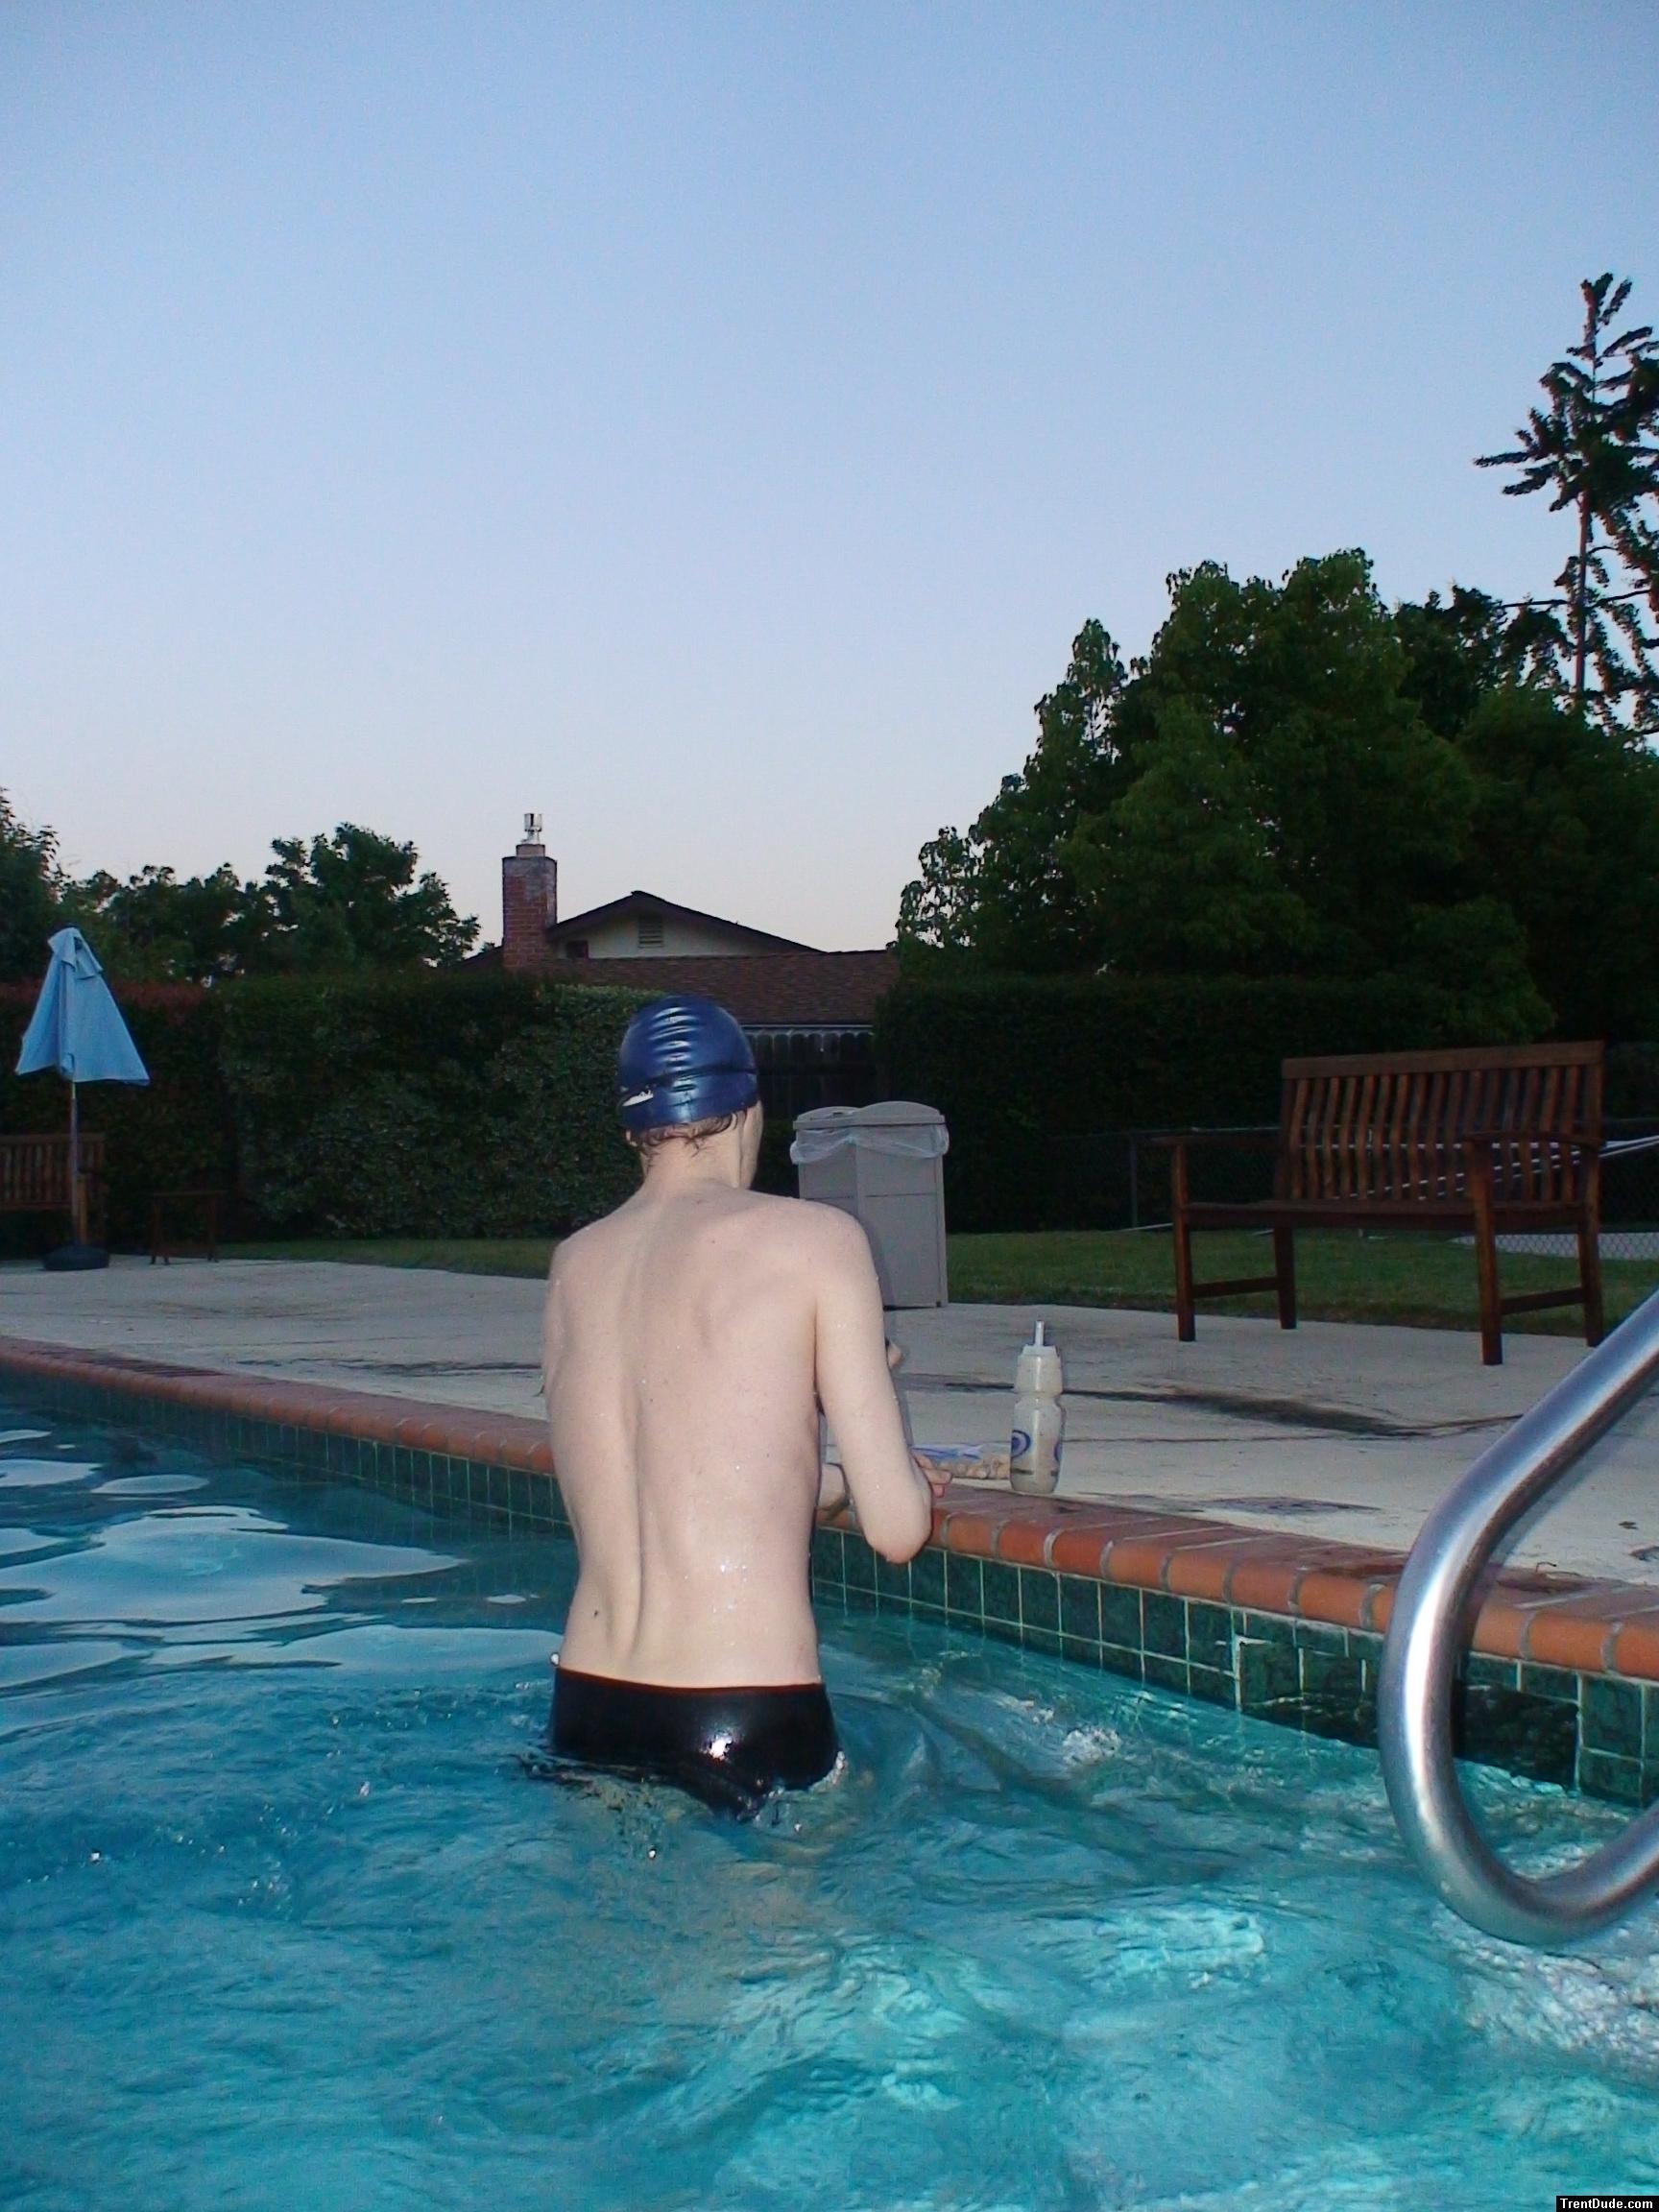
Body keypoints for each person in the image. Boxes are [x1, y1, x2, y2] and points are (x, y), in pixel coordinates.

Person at [540, 993, 943, 1815]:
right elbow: (898, 1531)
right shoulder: (817, 1242)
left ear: (632, 1131)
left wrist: (823, 1478)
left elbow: (661, 1486)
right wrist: (871, 1427)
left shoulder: (573, 1265)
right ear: (748, 1112)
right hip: (744, 1712)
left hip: (586, 1712)